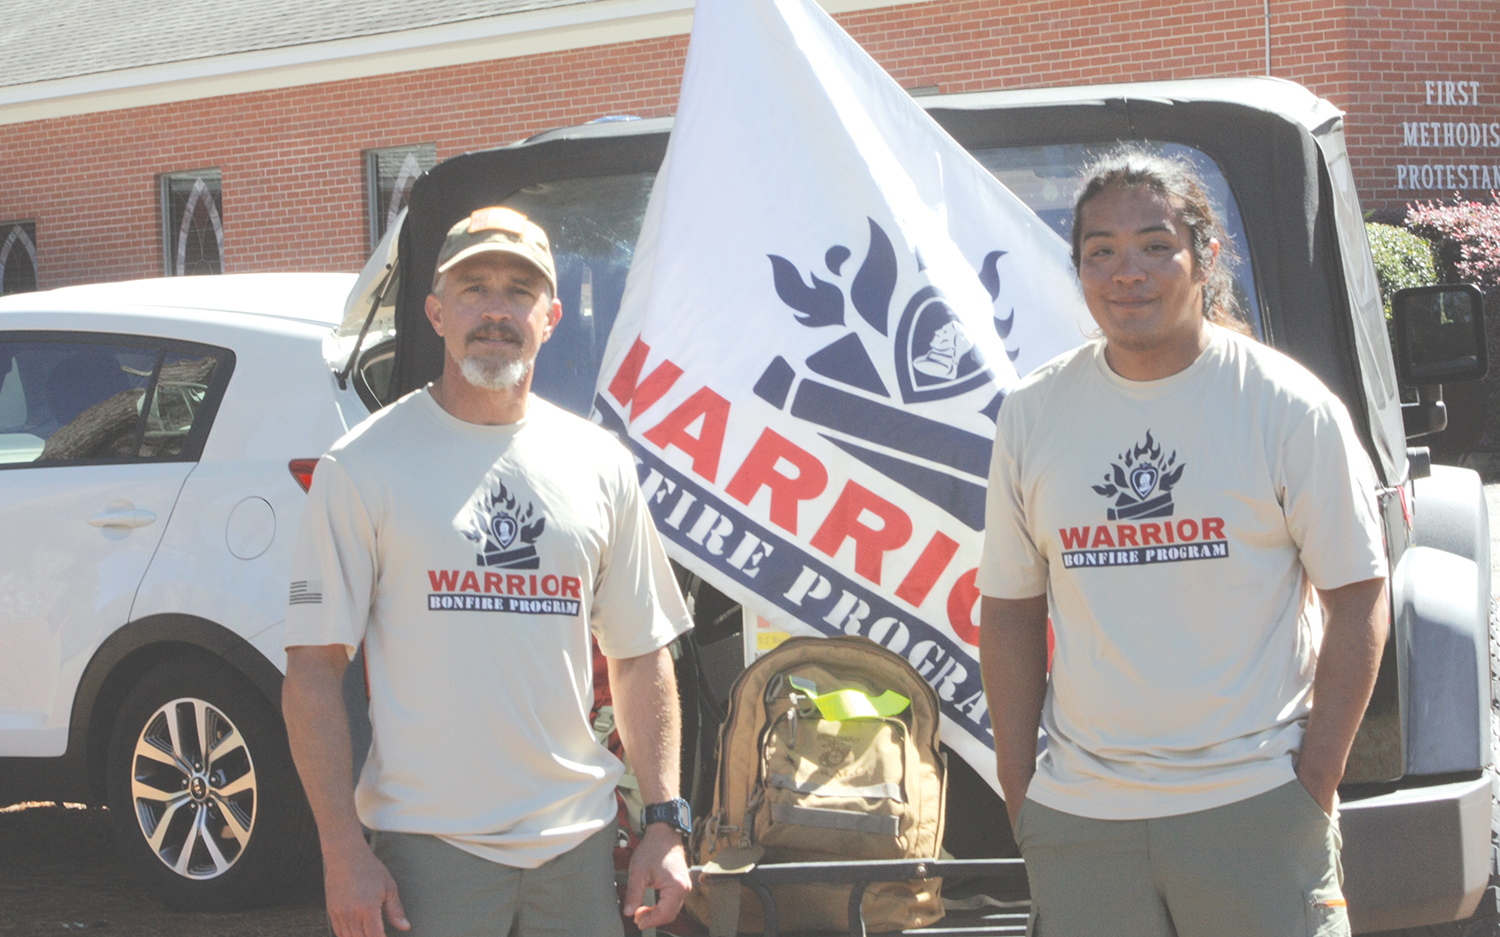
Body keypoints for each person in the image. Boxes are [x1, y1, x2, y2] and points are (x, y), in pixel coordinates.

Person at [977, 149, 1389, 937]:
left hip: (1254, 805)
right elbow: (1010, 610)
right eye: (1100, 250)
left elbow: (1360, 593)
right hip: (1082, 820)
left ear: (1204, 256)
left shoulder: (1286, 406)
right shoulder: (1034, 412)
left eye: (1155, 244)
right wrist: (1023, 790)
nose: (1126, 271)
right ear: (1078, 268)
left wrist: (1315, 779)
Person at [282, 205, 695, 937]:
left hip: (577, 855)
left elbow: (640, 655)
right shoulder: (363, 467)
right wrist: (340, 849)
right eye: (473, 288)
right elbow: (313, 670)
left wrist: (664, 821)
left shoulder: (600, 466)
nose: (496, 311)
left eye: (519, 291)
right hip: (429, 858)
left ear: (551, 318)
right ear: (436, 313)